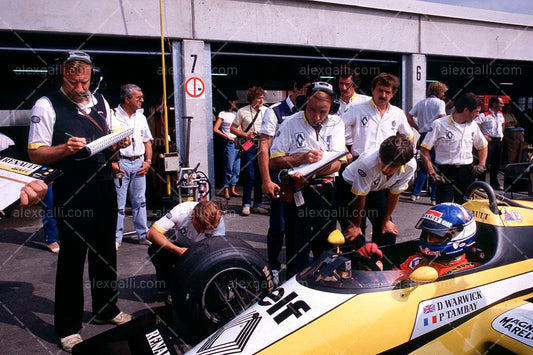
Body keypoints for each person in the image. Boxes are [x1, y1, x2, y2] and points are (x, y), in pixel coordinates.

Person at [27, 51, 131, 352]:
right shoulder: (46, 105)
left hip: (103, 186)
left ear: (91, 77)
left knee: (105, 254)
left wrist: (119, 142)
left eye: (84, 81)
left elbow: (110, 141)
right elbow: (35, 153)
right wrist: (64, 148)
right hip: (72, 191)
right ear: (64, 76)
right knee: (72, 259)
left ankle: (106, 310)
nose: (80, 88)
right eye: (73, 82)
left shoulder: (101, 103)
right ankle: (68, 327)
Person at [270, 81, 346, 277]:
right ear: (305, 103)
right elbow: (274, 162)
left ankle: (324, 284)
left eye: (323, 111)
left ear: (333, 108)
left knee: (326, 243)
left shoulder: (337, 123)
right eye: (312, 110)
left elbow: (339, 162)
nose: (317, 117)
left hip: (326, 190)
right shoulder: (290, 123)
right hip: (298, 190)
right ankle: (293, 285)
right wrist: (301, 159)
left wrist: (312, 173)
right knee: (297, 246)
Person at [338, 72, 414, 237]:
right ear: (373, 90)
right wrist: (344, 150)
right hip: (360, 165)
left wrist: (403, 157)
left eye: (388, 92)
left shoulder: (398, 113)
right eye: (380, 90)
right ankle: (356, 259)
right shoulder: (357, 109)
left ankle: (379, 261)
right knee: (355, 231)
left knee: (384, 228)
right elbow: (336, 131)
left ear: (393, 93)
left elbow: (409, 136)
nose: (383, 95)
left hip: (385, 169)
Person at [258, 75, 311, 284]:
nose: (310, 94)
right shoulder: (275, 112)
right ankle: (273, 266)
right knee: (279, 225)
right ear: (295, 88)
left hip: (305, 179)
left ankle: (301, 269)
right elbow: (263, 147)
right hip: (280, 178)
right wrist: (265, 180)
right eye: (307, 89)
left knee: (303, 226)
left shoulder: (311, 112)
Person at [357, 203, 481, 276]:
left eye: (437, 236)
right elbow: (395, 278)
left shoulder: (468, 273)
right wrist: (377, 270)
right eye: (428, 234)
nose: (430, 241)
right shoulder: (417, 260)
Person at [340, 134, 416, 248]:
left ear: (403, 164)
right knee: (355, 238)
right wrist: (356, 224)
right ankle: (355, 263)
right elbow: (359, 195)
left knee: (387, 234)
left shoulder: (410, 166)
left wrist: (386, 220)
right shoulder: (367, 162)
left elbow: (395, 193)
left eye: (393, 167)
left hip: (377, 189)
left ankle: (381, 263)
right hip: (350, 190)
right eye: (384, 163)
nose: (386, 169)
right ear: (380, 155)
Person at [420, 92, 488, 205]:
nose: (478, 115)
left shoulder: (473, 126)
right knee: (444, 209)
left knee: (465, 209)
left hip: (467, 172)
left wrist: (481, 164)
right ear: (466, 110)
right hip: (446, 173)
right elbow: (424, 150)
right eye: (477, 112)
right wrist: (432, 173)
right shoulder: (439, 124)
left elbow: (483, 146)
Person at [146, 201, 225, 291]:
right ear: (193, 217)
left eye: (207, 229)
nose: (202, 232)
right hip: (180, 249)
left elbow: (217, 251)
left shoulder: (216, 219)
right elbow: (151, 233)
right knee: (155, 249)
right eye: (200, 228)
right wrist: (177, 250)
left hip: (203, 253)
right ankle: (168, 285)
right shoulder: (180, 211)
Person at [111, 84, 153, 250]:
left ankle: (143, 235)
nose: (142, 100)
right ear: (127, 99)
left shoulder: (141, 117)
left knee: (140, 201)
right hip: (121, 163)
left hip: (139, 163)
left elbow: (147, 141)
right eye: (138, 98)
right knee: (118, 204)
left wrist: (148, 162)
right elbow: (106, 142)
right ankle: (116, 238)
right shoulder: (112, 116)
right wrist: (112, 162)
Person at [407, 81, 448, 205]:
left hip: (423, 135)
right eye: (443, 92)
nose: (444, 94)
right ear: (439, 91)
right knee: (435, 166)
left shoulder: (421, 103)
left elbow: (408, 116)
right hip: (435, 136)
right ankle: (434, 197)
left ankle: (416, 193)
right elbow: (442, 118)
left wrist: (418, 127)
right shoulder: (440, 103)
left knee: (425, 166)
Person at [230, 86, 268, 216]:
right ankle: (246, 204)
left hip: (263, 144)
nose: (262, 100)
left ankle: (257, 204)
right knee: (249, 175)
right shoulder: (242, 111)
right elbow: (232, 129)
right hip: (249, 145)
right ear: (252, 98)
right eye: (259, 98)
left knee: (260, 176)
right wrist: (246, 135)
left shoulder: (267, 111)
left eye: (263, 97)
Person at [336, 65, 371, 153]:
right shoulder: (332, 104)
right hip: (339, 147)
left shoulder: (367, 102)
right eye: (341, 83)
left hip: (361, 149)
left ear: (355, 85)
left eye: (347, 84)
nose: (343, 88)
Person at [213, 94, 241, 200]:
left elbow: (240, 129)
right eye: (234, 101)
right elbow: (215, 128)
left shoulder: (236, 114)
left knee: (237, 168)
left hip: (238, 142)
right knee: (228, 167)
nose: (236, 103)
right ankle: (226, 189)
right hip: (229, 142)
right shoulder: (222, 114)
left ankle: (233, 188)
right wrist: (227, 136)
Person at [475, 96, 505, 190]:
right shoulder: (484, 115)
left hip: (498, 140)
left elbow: (503, 123)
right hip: (488, 141)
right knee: (485, 162)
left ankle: (494, 183)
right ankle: (481, 183)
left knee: (496, 163)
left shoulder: (500, 114)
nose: (503, 105)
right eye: (501, 103)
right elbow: (476, 125)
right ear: (494, 104)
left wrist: (501, 134)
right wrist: (484, 135)